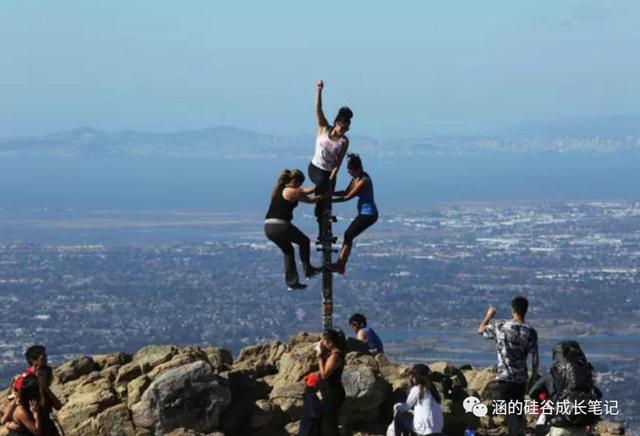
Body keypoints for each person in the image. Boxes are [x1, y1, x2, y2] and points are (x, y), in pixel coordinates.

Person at [478, 297, 539, 436]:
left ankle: (522, 433)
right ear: (525, 310)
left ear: (513, 310)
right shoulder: (530, 332)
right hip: (521, 380)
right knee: (516, 413)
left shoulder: (501, 326)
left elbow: (480, 330)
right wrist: (533, 377)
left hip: (504, 378)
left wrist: (489, 316)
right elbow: (535, 357)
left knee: (510, 415)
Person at [265, 169, 323, 290]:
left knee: (288, 251)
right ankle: (309, 270)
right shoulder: (288, 190)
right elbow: (305, 191)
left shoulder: (284, 191)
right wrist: (322, 185)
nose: (300, 186)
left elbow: (311, 200)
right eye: (300, 183)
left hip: (268, 227)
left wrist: (325, 196)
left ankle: (292, 282)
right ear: (295, 181)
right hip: (279, 225)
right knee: (304, 241)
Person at [529, 341, 602, 436]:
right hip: (580, 428)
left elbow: (533, 392)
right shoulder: (584, 376)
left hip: (558, 426)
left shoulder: (553, 375)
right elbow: (598, 394)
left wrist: (544, 406)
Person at [308, 80, 352, 234]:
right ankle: (318, 208)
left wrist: (332, 177)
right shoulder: (324, 128)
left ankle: (324, 231)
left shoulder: (344, 142)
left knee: (327, 201)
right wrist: (319, 90)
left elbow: (338, 162)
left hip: (329, 173)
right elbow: (318, 109)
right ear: (336, 123)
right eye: (342, 127)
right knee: (321, 186)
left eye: (346, 129)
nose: (343, 131)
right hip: (316, 168)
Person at [331, 153, 378, 274]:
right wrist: (330, 193)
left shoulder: (364, 181)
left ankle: (340, 265)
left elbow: (348, 196)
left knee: (348, 234)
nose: (350, 174)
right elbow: (345, 191)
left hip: (369, 214)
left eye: (351, 172)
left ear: (357, 169)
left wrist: (329, 200)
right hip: (364, 213)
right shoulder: (356, 178)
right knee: (348, 235)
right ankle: (340, 265)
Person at [386, 364, 444, 436]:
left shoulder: (417, 389)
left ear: (416, 377)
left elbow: (406, 407)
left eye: (412, 376)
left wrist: (396, 406)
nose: (411, 378)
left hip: (423, 431)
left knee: (399, 415)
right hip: (438, 431)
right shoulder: (433, 390)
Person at [315, 329, 346, 436]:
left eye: (324, 341)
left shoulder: (335, 356)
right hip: (329, 392)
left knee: (329, 425)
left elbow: (325, 374)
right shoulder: (332, 354)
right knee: (328, 422)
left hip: (332, 393)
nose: (322, 343)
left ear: (330, 342)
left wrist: (319, 358)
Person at [36, 366, 62, 436]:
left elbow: (58, 406)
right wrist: (43, 388)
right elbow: (42, 408)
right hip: (42, 426)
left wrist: (45, 388)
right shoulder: (35, 391)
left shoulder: (45, 391)